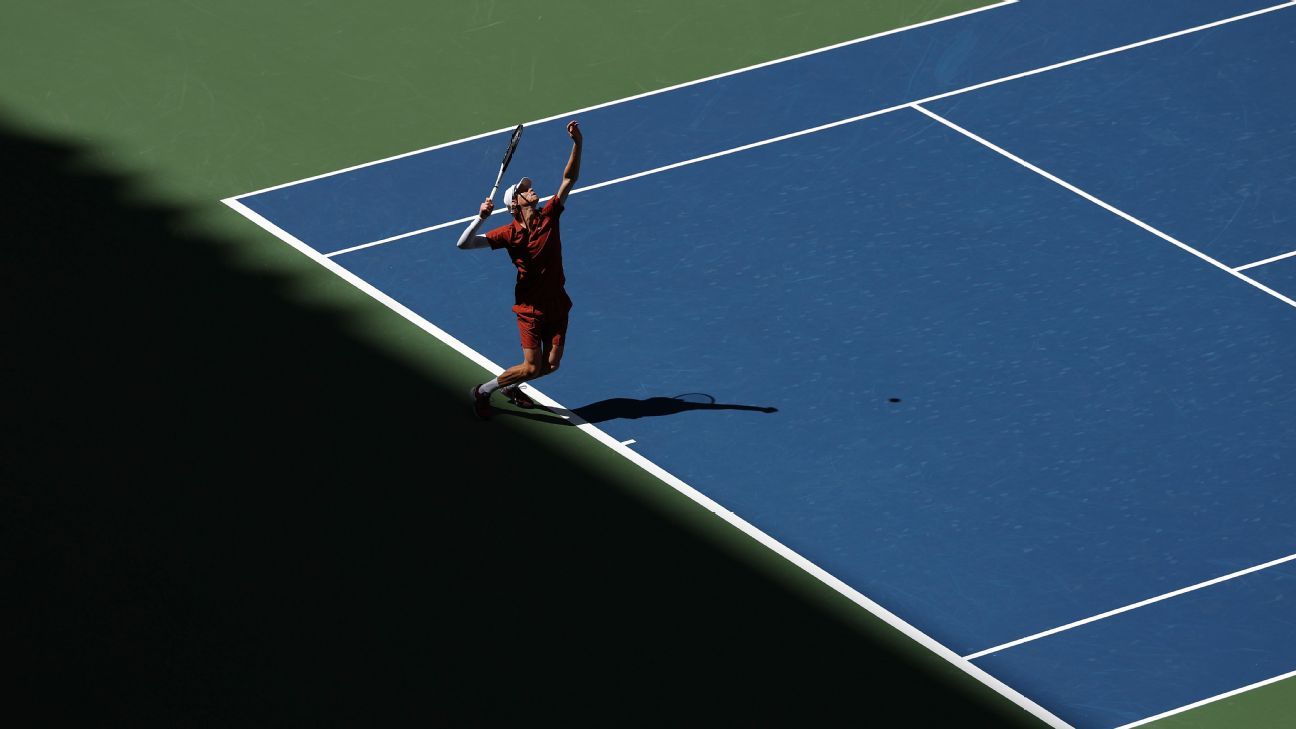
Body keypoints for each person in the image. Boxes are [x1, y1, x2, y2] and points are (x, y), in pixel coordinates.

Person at [456, 119, 583, 419]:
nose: (533, 190)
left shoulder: (549, 215)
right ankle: (483, 391)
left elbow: (569, 180)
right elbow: (464, 244)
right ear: (515, 204)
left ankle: (513, 386)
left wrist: (578, 143)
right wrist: (481, 218)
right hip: (530, 309)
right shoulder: (508, 234)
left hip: (557, 302)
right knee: (530, 366)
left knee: (551, 366)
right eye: (526, 191)